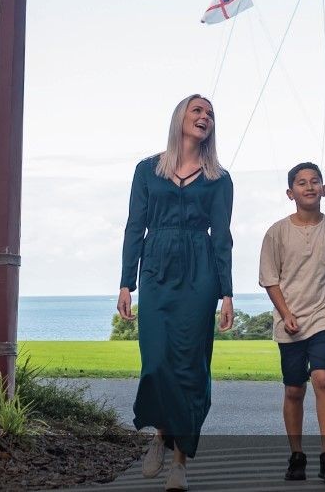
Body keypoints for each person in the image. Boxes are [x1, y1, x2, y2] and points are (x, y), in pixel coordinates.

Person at [117, 95, 234, 492]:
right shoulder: (147, 170)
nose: (205, 117)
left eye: (210, 114)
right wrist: (126, 283)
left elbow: (222, 238)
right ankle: (161, 432)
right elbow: (134, 227)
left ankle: (180, 459)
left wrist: (227, 293)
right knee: (156, 362)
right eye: (197, 110)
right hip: (156, 267)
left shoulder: (219, 178)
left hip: (200, 270)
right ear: (180, 117)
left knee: (190, 365)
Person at [258, 162, 325, 485]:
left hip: (323, 319)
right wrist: (286, 313)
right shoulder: (276, 232)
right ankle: (297, 455)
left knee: (322, 378)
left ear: (324, 189)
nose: (309, 186)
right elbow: (270, 279)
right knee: (293, 389)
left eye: (315, 181)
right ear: (291, 193)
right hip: (289, 322)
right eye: (301, 183)